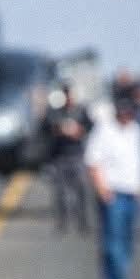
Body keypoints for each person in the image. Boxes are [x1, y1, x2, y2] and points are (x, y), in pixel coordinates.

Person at [84, 85, 140, 279]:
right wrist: (103, 189)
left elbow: (139, 159)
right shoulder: (105, 130)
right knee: (113, 247)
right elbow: (93, 161)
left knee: (126, 247)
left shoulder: (135, 130)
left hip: (131, 193)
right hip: (113, 193)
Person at [44, 86, 91, 234]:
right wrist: (60, 130)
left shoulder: (80, 111)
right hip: (60, 156)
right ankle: (62, 223)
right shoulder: (55, 112)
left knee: (81, 190)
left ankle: (83, 222)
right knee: (61, 192)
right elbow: (46, 127)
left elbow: (89, 126)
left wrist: (78, 130)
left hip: (77, 155)